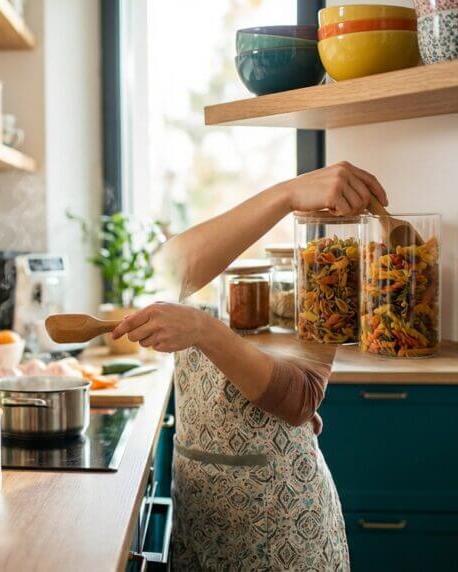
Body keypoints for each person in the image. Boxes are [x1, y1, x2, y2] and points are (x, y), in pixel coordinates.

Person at [111, 161, 388, 570]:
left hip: (284, 532)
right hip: (202, 523)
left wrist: (205, 331)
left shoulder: (323, 276)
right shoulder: (204, 274)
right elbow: (171, 266)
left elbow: (300, 399)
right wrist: (285, 194)